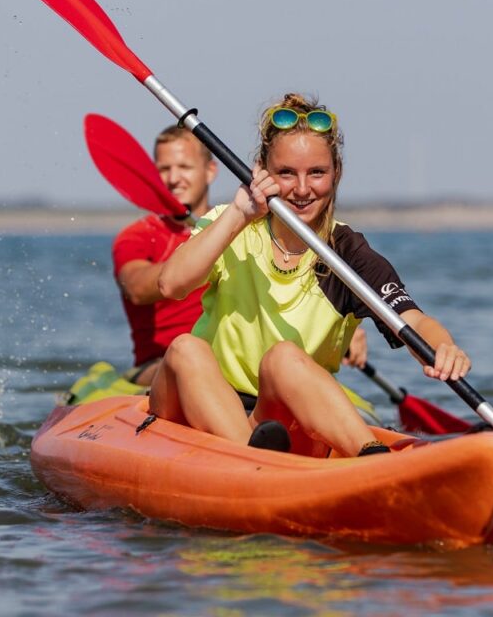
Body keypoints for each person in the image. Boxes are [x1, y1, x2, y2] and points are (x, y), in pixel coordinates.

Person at [152, 93, 472, 458]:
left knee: (284, 358)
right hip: (199, 405)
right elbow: (171, 284)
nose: (302, 189)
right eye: (287, 173)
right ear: (261, 171)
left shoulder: (347, 253)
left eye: (316, 173)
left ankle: (373, 459)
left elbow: (412, 320)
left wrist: (443, 348)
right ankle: (251, 462)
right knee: (186, 349)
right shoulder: (231, 224)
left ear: (337, 173)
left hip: (278, 418)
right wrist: (240, 213)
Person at [112, 125, 218, 385]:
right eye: (164, 169)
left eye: (184, 167)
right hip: (158, 365)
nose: (173, 178)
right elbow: (136, 288)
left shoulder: (236, 227)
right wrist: (200, 255)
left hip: (228, 358)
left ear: (210, 171)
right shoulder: (137, 236)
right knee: (188, 359)